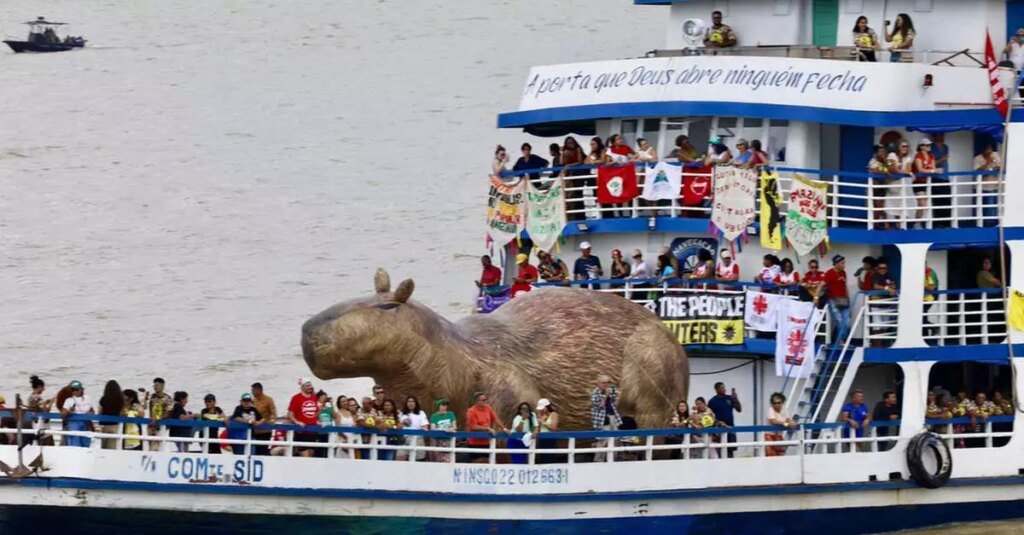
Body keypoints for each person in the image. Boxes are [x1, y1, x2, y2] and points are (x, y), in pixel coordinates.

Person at [465, 391, 507, 463]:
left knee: (488, 462)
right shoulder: (471, 411)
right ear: (477, 401)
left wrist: (504, 428)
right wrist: (487, 429)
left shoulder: (488, 408)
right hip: (474, 443)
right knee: (476, 463)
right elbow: (473, 426)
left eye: (486, 399)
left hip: (486, 442)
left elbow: (495, 419)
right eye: (483, 400)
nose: (485, 401)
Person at [287, 378, 322, 458]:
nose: (310, 387)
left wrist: (318, 421)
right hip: (302, 431)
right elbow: (290, 414)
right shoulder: (296, 398)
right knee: (304, 455)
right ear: (302, 386)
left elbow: (315, 413)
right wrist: (297, 422)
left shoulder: (314, 397)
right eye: (307, 386)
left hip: (313, 431)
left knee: (312, 454)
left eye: (310, 385)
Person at [590, 374, 620, 462]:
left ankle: (612, 460)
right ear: (598, 383)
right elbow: (600, 405)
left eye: (607, 383)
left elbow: (615, 401)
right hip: (602, 420)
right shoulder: (595, 393)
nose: (606, 385)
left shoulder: (610, 391)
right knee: (602, 440)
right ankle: (598, 460)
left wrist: (615, 395)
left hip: (612, 417)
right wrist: (606, 396)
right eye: (603, 383)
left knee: (615, 439)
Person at [707, 382, 742, 458]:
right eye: (722, 388)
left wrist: (736, 399)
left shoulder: (730, 398)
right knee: (720, 451)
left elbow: (739, 409)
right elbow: (709, 416)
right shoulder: (712, 401)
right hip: (719, 429)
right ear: (716, 389)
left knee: (730, 450)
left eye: (724, 387)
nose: (724, 389)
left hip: (730, 428)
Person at [870, 259, 899, 347]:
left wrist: (892, 289)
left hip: (887, 304)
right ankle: (877, 346)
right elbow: (875, 286)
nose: (882, 269)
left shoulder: (888, 276)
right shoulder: (875, 275)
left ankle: (885, 344)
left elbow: (893, 285)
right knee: (877, 326)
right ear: (877, 268)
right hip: (877, 305)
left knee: (886, 325)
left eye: (884, 268)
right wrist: (886, 288)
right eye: (880, 268)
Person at [887, 140, 915, 227]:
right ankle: (888, 224)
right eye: (903, 146)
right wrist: (905, 172)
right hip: (891, 183)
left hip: (900, 183)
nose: (905, 148)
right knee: (892, 204)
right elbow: (892, 169)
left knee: (900, 203)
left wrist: (905, 172)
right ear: (898, 147)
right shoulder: (891, 156)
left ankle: (898, 223)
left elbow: (909, 169)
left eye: (906, 146)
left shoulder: (907, 158)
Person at [911, 138, 938, 229]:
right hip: (918, 182)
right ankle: (917, 223)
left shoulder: (931, 156)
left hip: (926, 182)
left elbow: (933, 168)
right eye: (927, 145)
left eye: (929, 145)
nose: (929, 147)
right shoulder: (918, 156)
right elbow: (920, 169)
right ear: (921, 146)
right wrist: (932, 170)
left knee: (923, 204)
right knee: (922, 203)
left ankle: (917, 223)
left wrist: (932, 170)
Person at [868, 144, 896, 229]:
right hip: (874, 186)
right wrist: (886, 172)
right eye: (881, 151)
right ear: (876, 153)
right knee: (879, 206)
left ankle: (875, 223)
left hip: (883, 186)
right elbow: (875, 170)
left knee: (880, 206)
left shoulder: (886, 160)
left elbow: (892, 168)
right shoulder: (872, 161)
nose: (883, 153)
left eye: (884, 151)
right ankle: (885, 224)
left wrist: (886, 161)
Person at [973, 144, 1003, 226]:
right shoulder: (978, 158)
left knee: (992, 205)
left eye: (990, 149)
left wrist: (995, 168)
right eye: (987, 150)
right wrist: (988, 162)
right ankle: (987, 224)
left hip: (994, 185)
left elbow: (1001, 167)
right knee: (984, 205)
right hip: (982, 186)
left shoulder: (995, 155)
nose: (989, 152)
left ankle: (991, 223)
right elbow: (977, 172)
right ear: (983, 151)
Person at [825, 255, 852, 343]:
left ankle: (840, 340)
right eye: (842, 263)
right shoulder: (829, 273)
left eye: (844, 263)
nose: (844, 265)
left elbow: (845, 286)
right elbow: (821, 285)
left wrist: (848, 298)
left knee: (847, 321)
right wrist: (816, 297)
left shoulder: (844, 273)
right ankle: (841, 341)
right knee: (839, 321)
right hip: (833, 300)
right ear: (836, 264)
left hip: (844, 300)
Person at [61, 380, 94, 448]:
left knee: (85, 444)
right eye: (73, 389)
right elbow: (63, 414)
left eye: (77, 389)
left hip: (86, 423)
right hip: (74, 423)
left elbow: (92, 411)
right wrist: (69, 411)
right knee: (74, 445)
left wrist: (90, 413)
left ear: (81, 389)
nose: (75, 391)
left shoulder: (88, 398)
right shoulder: (69, 400)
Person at [929, 134, 952, 227]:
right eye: (940, 134)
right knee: (937, 201)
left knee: (946, 200)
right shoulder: (931, 148)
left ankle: (947, 222)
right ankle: (938, 223)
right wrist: (942, 159)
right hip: (936, 178)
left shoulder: (946, 147)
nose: (942, 136)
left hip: (945, 177)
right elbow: (932, 163)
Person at [766, 393, 797, 457]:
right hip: (770, 435)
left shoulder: (784, 410)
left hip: (779, 435)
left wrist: (792, 422)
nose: (777, 404)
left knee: (781, 454)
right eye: (774, 403)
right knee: (770, 456)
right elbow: (773, 421)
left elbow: (788, 420)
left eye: (779, 402)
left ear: (782, 402)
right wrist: (786, 424)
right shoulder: (771, 410)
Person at [399, 396, 429, 461]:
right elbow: (398, 426)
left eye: (412, 401)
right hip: (404, 440)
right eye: (409, 401)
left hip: (417, 439)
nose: (410, 403)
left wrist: (423, 428)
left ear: (416, 403)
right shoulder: (402, 414)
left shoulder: (421, 413)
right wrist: (403, 423)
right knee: (402, 461)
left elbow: (425, 426)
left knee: (419, 460)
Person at [97, 380, 125, 450]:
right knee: (112, 446)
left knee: (104, 445)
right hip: (115, 424)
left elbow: (100, 411)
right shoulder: (120, 399)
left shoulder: (104, 399)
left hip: (105, 424)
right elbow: (122, 412)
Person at [249, 382, 276, 454]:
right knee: (254, 451)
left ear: (259, 390)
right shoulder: (252, 401)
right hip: (254, 430)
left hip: (265, 431)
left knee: (263, 450)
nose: (252, 392)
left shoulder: (268, 400)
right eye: (252, 391)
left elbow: (273, 413)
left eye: (253, 390)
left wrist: (272, 420)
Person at [429, 398, 457, 463]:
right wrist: (443, 429)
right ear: (438, 406)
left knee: (447, 460)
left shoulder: (451, 414)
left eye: (446, 405)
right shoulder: (434, 416)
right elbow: (432, 428)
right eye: (443, 405)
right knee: (436, 460)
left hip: (448, 441)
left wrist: (450, 429)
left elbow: (455, 427)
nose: (445, 407)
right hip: (437, 441)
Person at [535, 398, 561, 464]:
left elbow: (554, 428)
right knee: (542, 458)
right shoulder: (541, 416)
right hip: (542, 439)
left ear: (547, 407)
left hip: (550, 440)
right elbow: (538, 429)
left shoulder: (554, 415)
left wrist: (543, 423)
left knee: (550, 458)